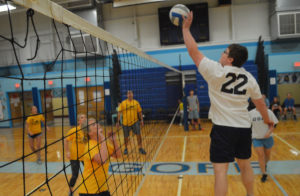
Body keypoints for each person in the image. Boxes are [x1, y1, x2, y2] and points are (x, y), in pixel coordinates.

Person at [182, 12, 274, 196]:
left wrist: (185, 29)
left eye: (224, 52)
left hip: (223, 129)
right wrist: (268, 120)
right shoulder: (249, 78)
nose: (222, 54)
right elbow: (260, 104)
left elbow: (193, 51)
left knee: (220, 171)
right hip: (243, 128)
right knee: (245, 165)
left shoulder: (216, 72)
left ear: (230, 59)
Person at [78, 118, 121, 196]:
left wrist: (114, 140)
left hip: (102, 188)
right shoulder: (90, 146)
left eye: (96, 122)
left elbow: (118, 155)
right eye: (93, 124)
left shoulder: (102, 144)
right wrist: (103, 138)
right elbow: (102, 160)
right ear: (90, 132)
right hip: (89, 191)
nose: (97, 124)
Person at [249, 102, 278, 183]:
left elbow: (272, 125)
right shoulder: (251, 113)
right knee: (261, 155)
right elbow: (246, 125)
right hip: (256, 138)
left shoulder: (269, 112)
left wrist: (269, 132)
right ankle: (264, 174)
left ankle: (264, 164)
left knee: (267, 156)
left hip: (268, 138)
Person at [116, 90, 146, 155]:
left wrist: (141, 120)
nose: (130, 95)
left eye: (131, 93)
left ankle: (140, 148)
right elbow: (119, 113)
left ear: (133, 94)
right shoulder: (123, 103)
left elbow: (140, 112)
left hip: (135, 122)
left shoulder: (136, 103)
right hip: (125, 123)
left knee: (139, 135)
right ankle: (126, 148)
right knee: (126, 137)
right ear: (126, 95)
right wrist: (117, 122)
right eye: (128, 93)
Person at [64, 114, 87, 196]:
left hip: (85, 156)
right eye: (82, 117)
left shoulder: (88, 130)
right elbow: (66, 140)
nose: (84, 118)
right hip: (74, 156)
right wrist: (67, 151)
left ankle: (90, 189)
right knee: (75, 175)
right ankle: (71, 190)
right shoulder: (74, 130)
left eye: (85, 117)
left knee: (89, 173)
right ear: (78, 121)